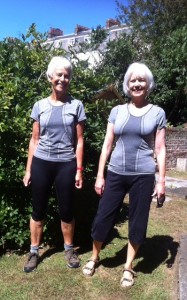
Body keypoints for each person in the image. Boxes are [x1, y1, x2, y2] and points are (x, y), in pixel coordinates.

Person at [82, 62, 166, 287]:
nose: (137, 84)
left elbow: (160, 149)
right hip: (116, 172)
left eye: (141, 80)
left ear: (148, 84)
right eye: (133, 80)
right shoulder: (116, 111)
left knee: (138, 222)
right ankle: (94, 256)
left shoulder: (158, 113)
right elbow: (107, 144)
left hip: (143, 175)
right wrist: (100, 174)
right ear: (127, 85)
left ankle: (128, 266)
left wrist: (162, 182)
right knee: (103, 217)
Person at [23, 56, 86, 273]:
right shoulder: (39, 105)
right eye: (59, 75)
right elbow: (34, 140)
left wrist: (78, 169)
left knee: (67, 210)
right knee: (38, 210)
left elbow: (79, 141)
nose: (63, 79)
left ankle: (69, 249)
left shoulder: (76, 105)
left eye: (67, 75)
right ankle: (34, 251)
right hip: (41, 163)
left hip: (66, 164)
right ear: (50, 77)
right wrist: (29, 169)